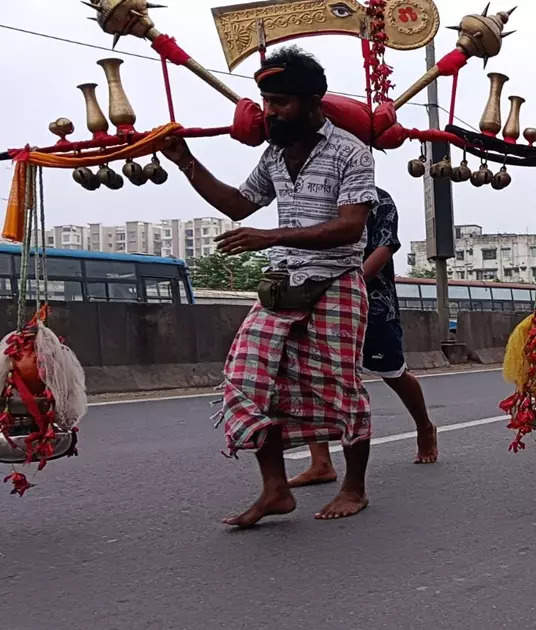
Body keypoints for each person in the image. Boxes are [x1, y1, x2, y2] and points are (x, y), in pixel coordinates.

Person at [161, 47, 377, 526]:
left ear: (313, 100)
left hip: (337, 281)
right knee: (248, 379)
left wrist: (271, 235)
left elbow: (349, 228)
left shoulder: (351, 152)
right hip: (282, 284)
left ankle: (354, 487)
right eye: (267, 101)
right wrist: (186, 161)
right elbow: (240, 205)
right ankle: (275, 490)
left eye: (281, 102)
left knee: (342, 387)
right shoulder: (275, 154)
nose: (271, 112)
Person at [288, 187, 438, 488]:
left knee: (392, 371)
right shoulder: (315, 197)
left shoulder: (378, 198)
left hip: (371, 299)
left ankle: (424, 426)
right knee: (310, 375)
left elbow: (384, 247)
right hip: (315, 295)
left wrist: (350, 285)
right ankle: (320, 461)